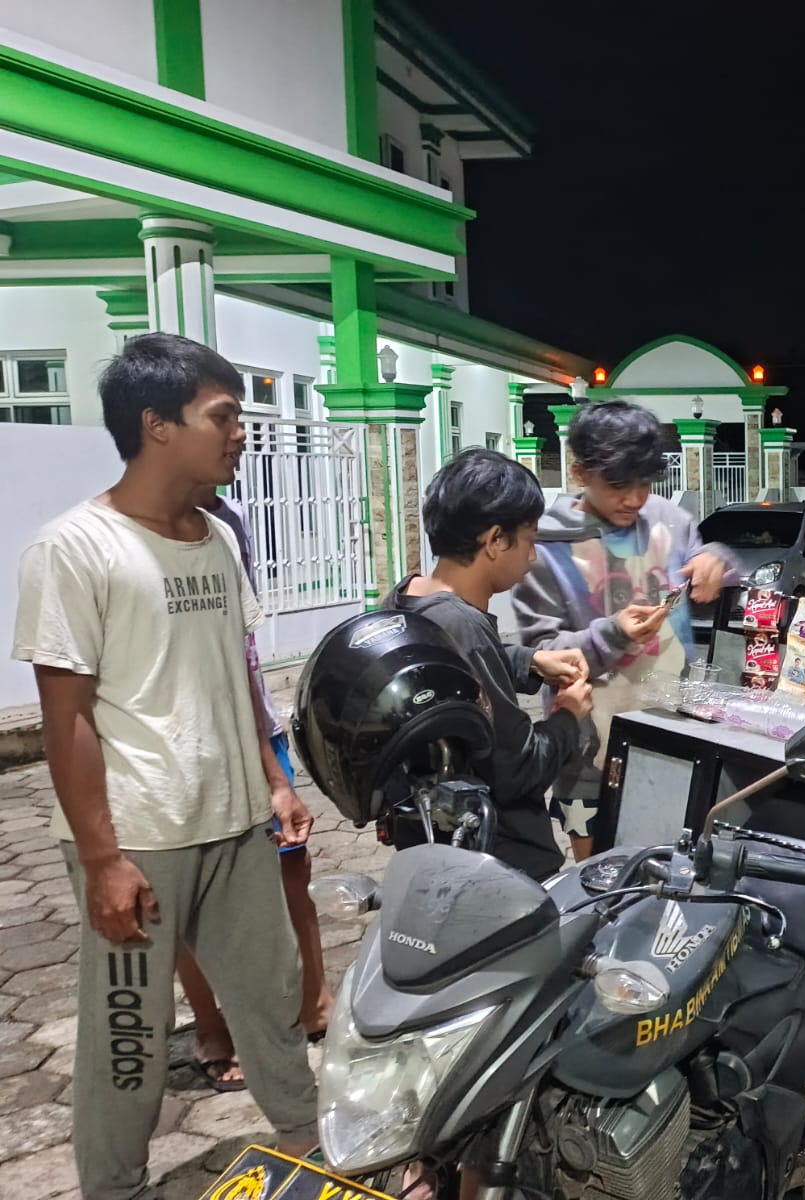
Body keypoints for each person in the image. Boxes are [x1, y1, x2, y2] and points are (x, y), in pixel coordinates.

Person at [12, 332, 318, 1200]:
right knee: (128, 1040)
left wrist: (274, 780)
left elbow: (234, 673)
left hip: (236, 823)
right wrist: (102, 859)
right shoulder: (75, 548)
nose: (240, 433)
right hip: (140, 840)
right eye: (223, 416)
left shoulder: (216, 538)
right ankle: (115, 1186)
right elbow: (65, 719)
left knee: (272, 1002)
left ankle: (312, 1143)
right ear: (157, 425)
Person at [512, 400, 734, 860]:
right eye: (617, 485)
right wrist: (613, 634)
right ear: (579, 472)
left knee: (676, 864)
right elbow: (541, 655)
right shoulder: (545, 549)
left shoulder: (670, 521)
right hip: (590, 754)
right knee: (599, 874)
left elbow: (705, 560)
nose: (634, 499)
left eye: (645, 483)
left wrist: (713, 560)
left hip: (677, 733)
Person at [173, 484, 334, 1091]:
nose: (239, 439)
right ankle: (213, 1025)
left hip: (255, 727)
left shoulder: (228, 521)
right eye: (224, 432)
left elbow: (240, 649)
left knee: (292, 866)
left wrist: (270, 765)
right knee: (191, 891)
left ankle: (315, 1001)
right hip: (182, 747)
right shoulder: (121, 535)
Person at [382, 447, 593, 881]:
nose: (532, 556)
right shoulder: (465, 627)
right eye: (529, 539)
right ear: (496, 540)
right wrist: (569, 716)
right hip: (498, 866)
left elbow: (450, 673)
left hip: (431, 851)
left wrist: (530, 661)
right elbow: (519, 770)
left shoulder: (405, 600)